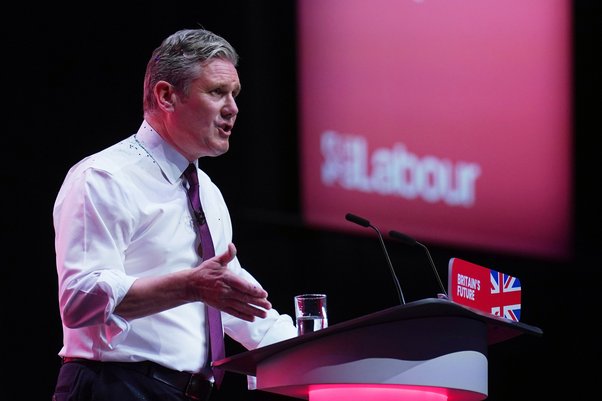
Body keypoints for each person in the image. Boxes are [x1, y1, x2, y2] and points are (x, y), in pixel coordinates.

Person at [51, 28, 297, 401]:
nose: (233, 108)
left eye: (235, 95)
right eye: (216, 92)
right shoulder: (104, 177)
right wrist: (189, 286)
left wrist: (317, 350)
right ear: (166, 96)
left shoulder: (207, 191)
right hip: (115, 387)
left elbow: (229, 299)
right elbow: (80, 299)